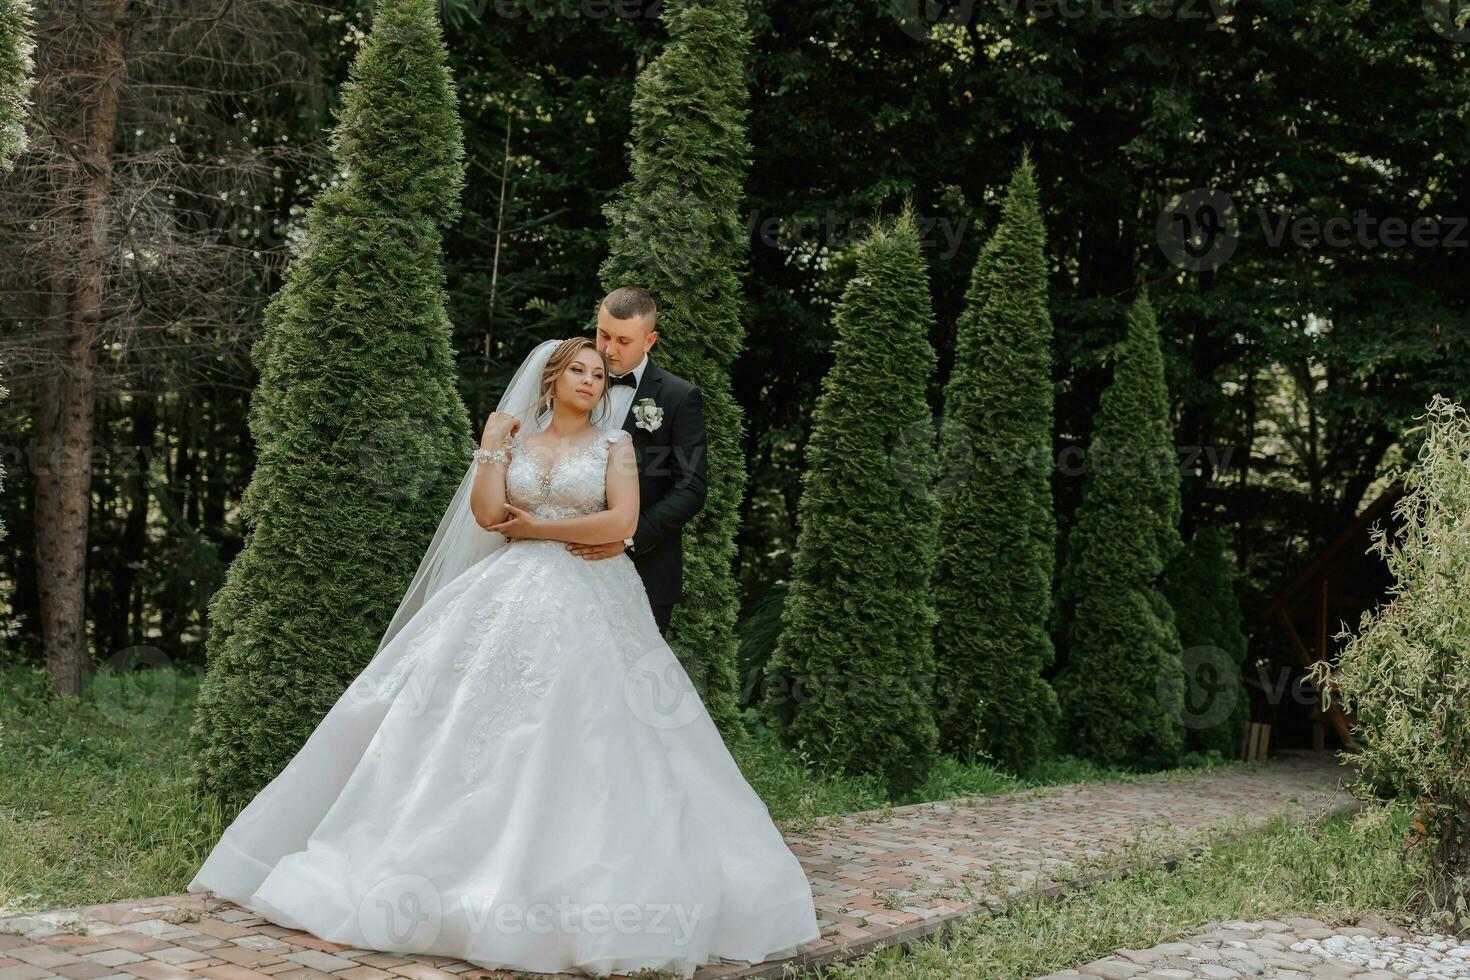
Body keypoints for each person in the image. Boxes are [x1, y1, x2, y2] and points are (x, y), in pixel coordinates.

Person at [185, 337, 820, 979]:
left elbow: (620, 521)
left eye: (599, 374)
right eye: (578, 370)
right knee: (458, 719)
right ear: (551, 378)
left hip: (589, 592)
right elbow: (489, 515)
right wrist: (492, 442)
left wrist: (538, 529)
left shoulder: (615, 445)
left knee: (591, 726)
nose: (589, 382)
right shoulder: (512, 439)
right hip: (505, 590)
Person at [562, 286, 707, 638]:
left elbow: (690, 487)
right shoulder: (571, 382)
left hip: (644, 570)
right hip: (563, 564)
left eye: (623, 341)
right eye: (603, 335)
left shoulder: (677, 397)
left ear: (650, 340)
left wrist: (628, 538)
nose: (609, 350)